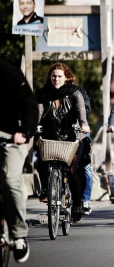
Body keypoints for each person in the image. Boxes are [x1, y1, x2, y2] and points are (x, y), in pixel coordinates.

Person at [36, 63, 90, 223]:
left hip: (73, 135)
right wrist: (32, 126)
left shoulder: (74, 92)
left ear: (66, 77)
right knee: (42, 161)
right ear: (49, 77)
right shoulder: (43, 93)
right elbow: (38, 111)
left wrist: (84, 124)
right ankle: (47, 190)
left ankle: (78, 203)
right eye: (53, 76)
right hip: (51, 134)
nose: (56, 79)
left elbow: (81, 109)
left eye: (59, 76)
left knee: (72, 169)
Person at [0, 59, 38, 263]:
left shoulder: (9, 72)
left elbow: (30, 106)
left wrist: (24, 132)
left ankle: (19, 234)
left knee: (9, 178)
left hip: (12, 136)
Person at [76, 87, 93, 215]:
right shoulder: (52, 94)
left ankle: (85, 199)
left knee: (86, 167)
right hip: (62, 134)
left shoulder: (79, 92)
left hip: (81, 131)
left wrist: (83, 124)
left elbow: (84, 110)